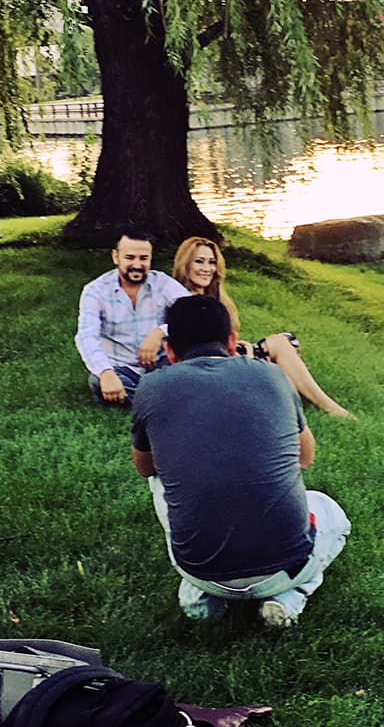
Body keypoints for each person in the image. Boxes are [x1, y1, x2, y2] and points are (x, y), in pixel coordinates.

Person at [131, 295, 351, 628]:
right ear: (233, 341)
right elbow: (306, 457)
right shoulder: (273, 376)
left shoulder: (150, 387)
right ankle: (290, 598)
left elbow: (144, 468)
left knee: (160, 474)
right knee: (331, 513)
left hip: (200, 570)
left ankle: (200, 599)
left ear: (171, 350)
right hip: (286, 568)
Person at [171, 236, 353, 418]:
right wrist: (246, 357)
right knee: (280, 345)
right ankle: (327, 407)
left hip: (230, 356)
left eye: (211, 262)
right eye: (199, 262)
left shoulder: (216, 297)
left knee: (287, 341)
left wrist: (243, 348)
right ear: (185, 264)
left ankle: (292, 400)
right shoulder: (182, 302)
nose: (207, 269)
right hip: (213, 368)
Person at [74, 229, 190, 407]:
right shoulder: (95, 291)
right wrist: (106, 373)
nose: (137, 264)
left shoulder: (162, 282)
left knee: (191, 363)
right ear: (116, 257)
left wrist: (160, 332)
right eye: (130, 257)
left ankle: (152, 399)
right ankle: (173, 398)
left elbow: (196, 314)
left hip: (162, 364)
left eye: (143, 258)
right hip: (122, 368)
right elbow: (86, 336)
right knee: (98, 381)